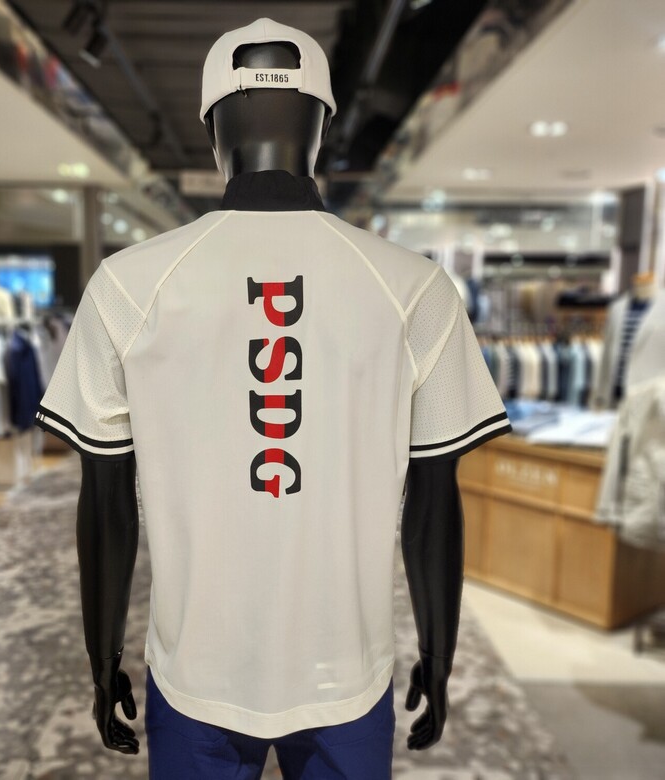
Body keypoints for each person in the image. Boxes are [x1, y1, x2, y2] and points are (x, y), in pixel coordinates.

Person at [35, 18, 511, 778]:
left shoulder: (129, 284)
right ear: (322, 126)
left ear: (212, 131)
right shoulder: (413, 287)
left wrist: (102, 659)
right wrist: (439, 653)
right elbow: (434, 500)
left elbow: (104, 500)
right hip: (347, 675)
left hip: (196, 675)